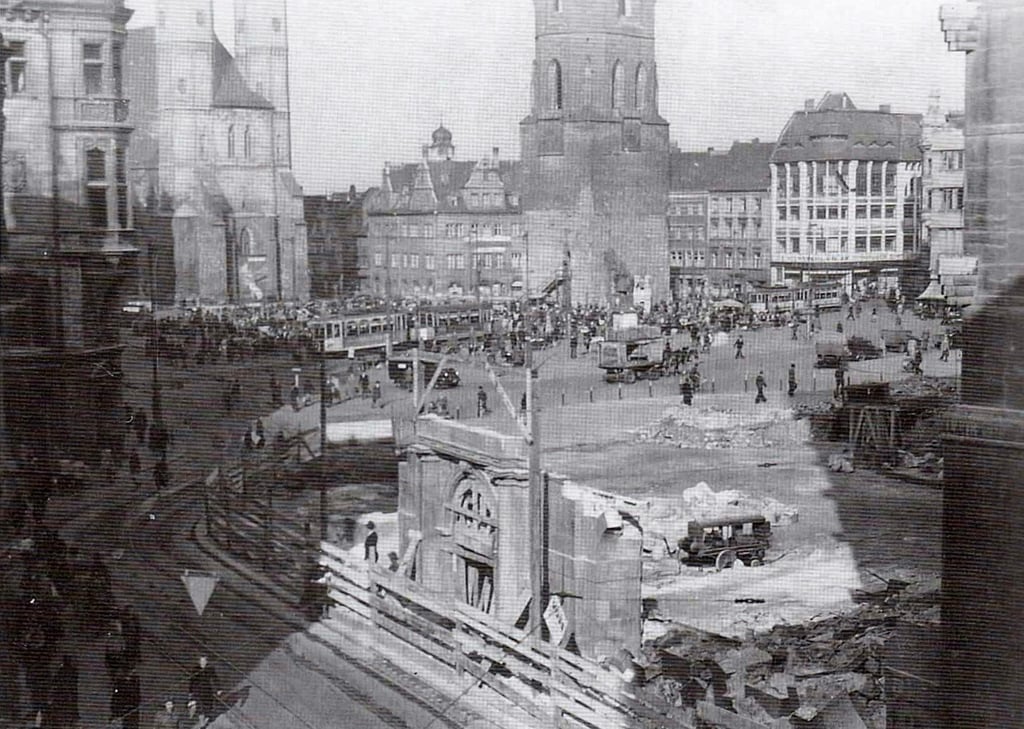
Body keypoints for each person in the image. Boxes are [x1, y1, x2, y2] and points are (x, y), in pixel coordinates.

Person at [188, 656, 221, 722]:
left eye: (204, 661)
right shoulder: (195, 670)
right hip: (198, 690)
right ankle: (201, 721)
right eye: (202, 661)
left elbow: (215, 678)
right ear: (199, 662)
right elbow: (192, 681)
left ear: (207, 661)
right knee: (200, 707)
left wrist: (218, 689)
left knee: (209, 704)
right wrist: (190, 691)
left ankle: (207, 714)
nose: (203, 663)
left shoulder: (210, 669)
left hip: (207, 689)